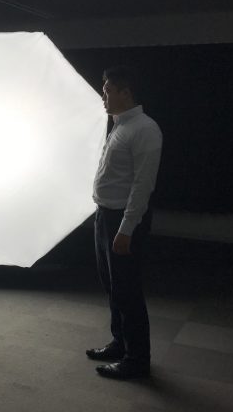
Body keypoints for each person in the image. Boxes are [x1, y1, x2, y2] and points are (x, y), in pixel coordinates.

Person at [86, 66, 162, 379]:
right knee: (113, 286)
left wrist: (126, 229)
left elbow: (142, 186)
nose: (103, 97)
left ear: (125, 92)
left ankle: (137, 360)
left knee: (128, 291)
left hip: (122, 220)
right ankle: (120, 343)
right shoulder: (120, 125)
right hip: (105, 215)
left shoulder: (145, 129)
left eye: (107, 91)